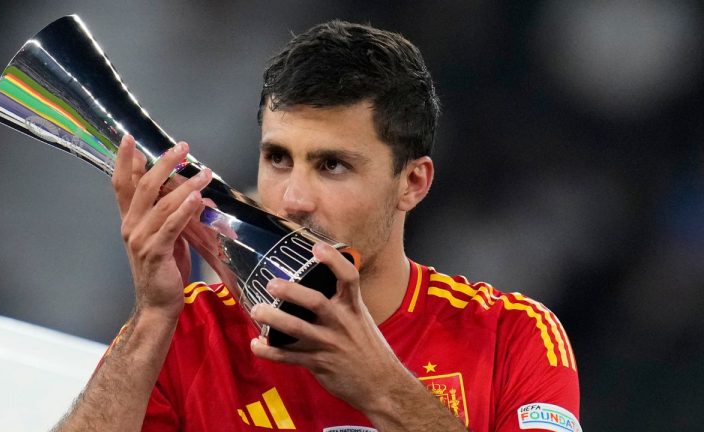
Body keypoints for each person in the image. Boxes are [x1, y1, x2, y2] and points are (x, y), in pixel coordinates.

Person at [54, 20, 580, 432]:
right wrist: (152, 317)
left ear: (412, 183)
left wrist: (380, 387)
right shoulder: (189, 328)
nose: (294, 199)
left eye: (333, 165)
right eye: (278, 159)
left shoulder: (512, 336)